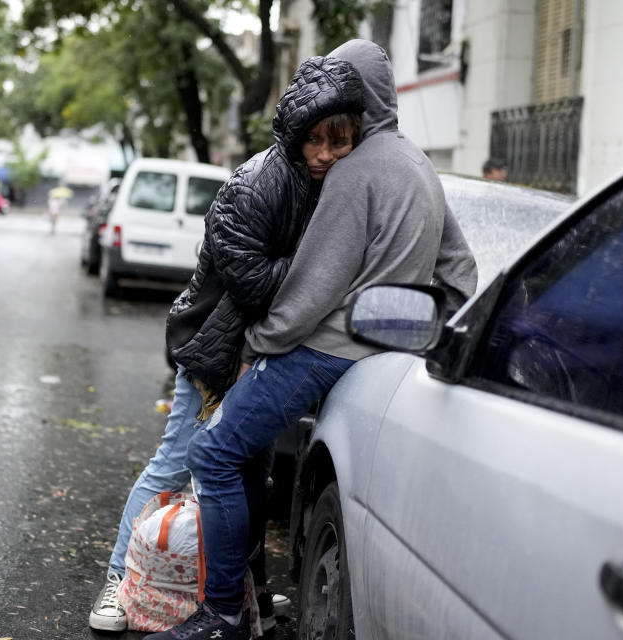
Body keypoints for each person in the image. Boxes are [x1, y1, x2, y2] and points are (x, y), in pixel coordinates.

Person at [148, 39, 478, 640]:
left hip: (323, 349)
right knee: (244, 460)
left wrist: (259, 348)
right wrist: (422, 333)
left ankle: (221, 616)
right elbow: (460, 275)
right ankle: (253, 608)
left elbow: (311, 289)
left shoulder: (355, 170)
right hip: (382, 356)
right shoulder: (419, 165)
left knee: (213, 454)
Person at [88, 55, 364, 633]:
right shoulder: (258, 184)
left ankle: (235, 597)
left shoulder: (329, 184)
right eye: (313, 140)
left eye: (337, 139)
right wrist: (325, 264)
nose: (324, 152)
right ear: (294, 137)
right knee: (173, 464)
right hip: (217, 350)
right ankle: (119, 581)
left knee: (248, 478)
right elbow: (253, 281)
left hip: (261, 354)